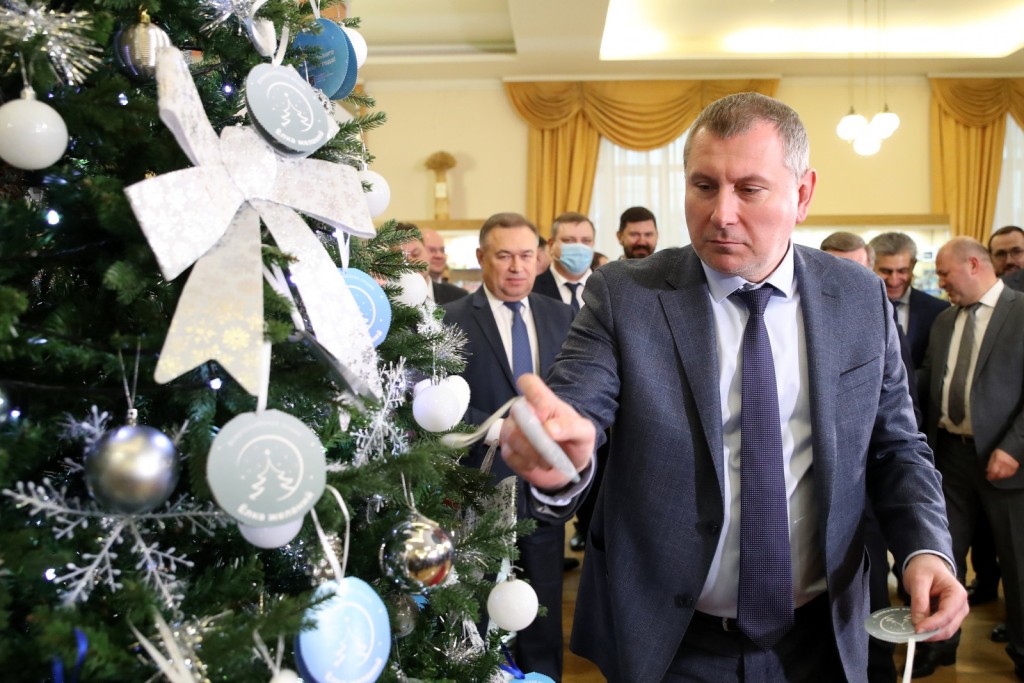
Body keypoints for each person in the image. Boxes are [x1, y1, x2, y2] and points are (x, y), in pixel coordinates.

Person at [497, 92, 967, 682]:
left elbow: (896, 446)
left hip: (824, 634)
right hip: (671, 642)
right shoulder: (626, 295)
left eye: (749, 189)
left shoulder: (858, 296)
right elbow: (577, 406)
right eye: (704, 186)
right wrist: (560, 451)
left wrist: (926, 547)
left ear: (802, 194)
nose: (721, 213)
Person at [442, 212, 574, 680]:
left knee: (542, 603)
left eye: (526, 255)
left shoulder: (564, 316)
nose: (517, 267)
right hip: (478, 484)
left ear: (540, 258)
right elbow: (436, 399)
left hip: (542, 487)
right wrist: (495, 429)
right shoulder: (451, 319)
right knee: (479, 603)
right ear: (482, 257)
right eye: (504, 256)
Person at [917, 237, 1024, 679]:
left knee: (1017, 563)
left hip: (1007, 460)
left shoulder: (1021, 312)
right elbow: (930, 381)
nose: (940, 282)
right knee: (943, 554)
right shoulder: (944, 320)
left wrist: (1014, 448)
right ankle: (940, 646)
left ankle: (1022, 651)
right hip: (949, 456)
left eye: (945, 274)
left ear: (975, 265)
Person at [869, 232, 949, 370]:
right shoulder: (859, 310)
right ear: (871, 267)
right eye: (886, 271)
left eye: (902, 271)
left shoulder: (938, 311)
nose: (894, 280)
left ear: (913, 266)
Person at [532, 212, 595, 314]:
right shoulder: (532, 288)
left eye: (586, 241)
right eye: (569, 240)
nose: (579, 247)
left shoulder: (610, 287)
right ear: (551, 244)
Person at [396, 223, 468, 304]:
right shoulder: (387, 301)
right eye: (401, 258)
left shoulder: (459, 297)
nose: (411, 262)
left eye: (416, 254)